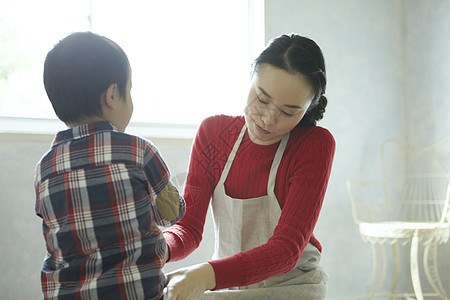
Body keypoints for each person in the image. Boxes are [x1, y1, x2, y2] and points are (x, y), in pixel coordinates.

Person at [162, 33, 335, 299]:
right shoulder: (213, 133)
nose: (267, 119)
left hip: (291, 288)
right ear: (250, 77)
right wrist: (155, 250)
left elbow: (286, 250)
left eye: (288, 112)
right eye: (262, 99)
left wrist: (204, 276)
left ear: (308, 109)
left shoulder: (313, 144)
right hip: (228, 284)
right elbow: (188, 229)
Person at [34, 32, 185, 300]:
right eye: (130, 90)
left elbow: (54, 232)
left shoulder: (45, 169)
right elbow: (172, 214)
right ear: (113, 95)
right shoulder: (139, 151)